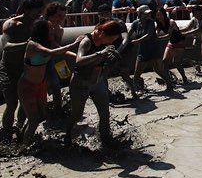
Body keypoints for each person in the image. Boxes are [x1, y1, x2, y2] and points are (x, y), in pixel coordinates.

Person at [17, 19, 78, 152]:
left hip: (41, 84)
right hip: (27, 86)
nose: (53, 30)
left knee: (42, 115)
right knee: (34, 120)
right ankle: (23, 147)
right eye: (50, 28)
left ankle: (22, 134)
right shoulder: (32, 45)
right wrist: (74, 43)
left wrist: (78, 57)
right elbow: (50, 53)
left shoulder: (50, 42)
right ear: (42, 31)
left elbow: (62, 52)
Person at [66, 20, 124, 148]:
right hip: (81, 82)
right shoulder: (86, 41)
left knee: (105, 113)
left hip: (97, 82)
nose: (110, 43)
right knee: (77, 114)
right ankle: (67, 136)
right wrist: (101, 53)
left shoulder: (105, 43)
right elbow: (79, 61)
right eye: (110, 39)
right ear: (102, 33)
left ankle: (105, 140)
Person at [0, 0, 45, 139]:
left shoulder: (38, 24)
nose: (39, 14)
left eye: (40, 11)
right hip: (8, 68)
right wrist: (26, 44)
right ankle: (6, 132)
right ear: (26, 10)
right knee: (12, 103)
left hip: (26, 68)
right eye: (37, 11)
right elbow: (6, 46)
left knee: (26, 102)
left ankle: (19, 128)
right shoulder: (12, 24)